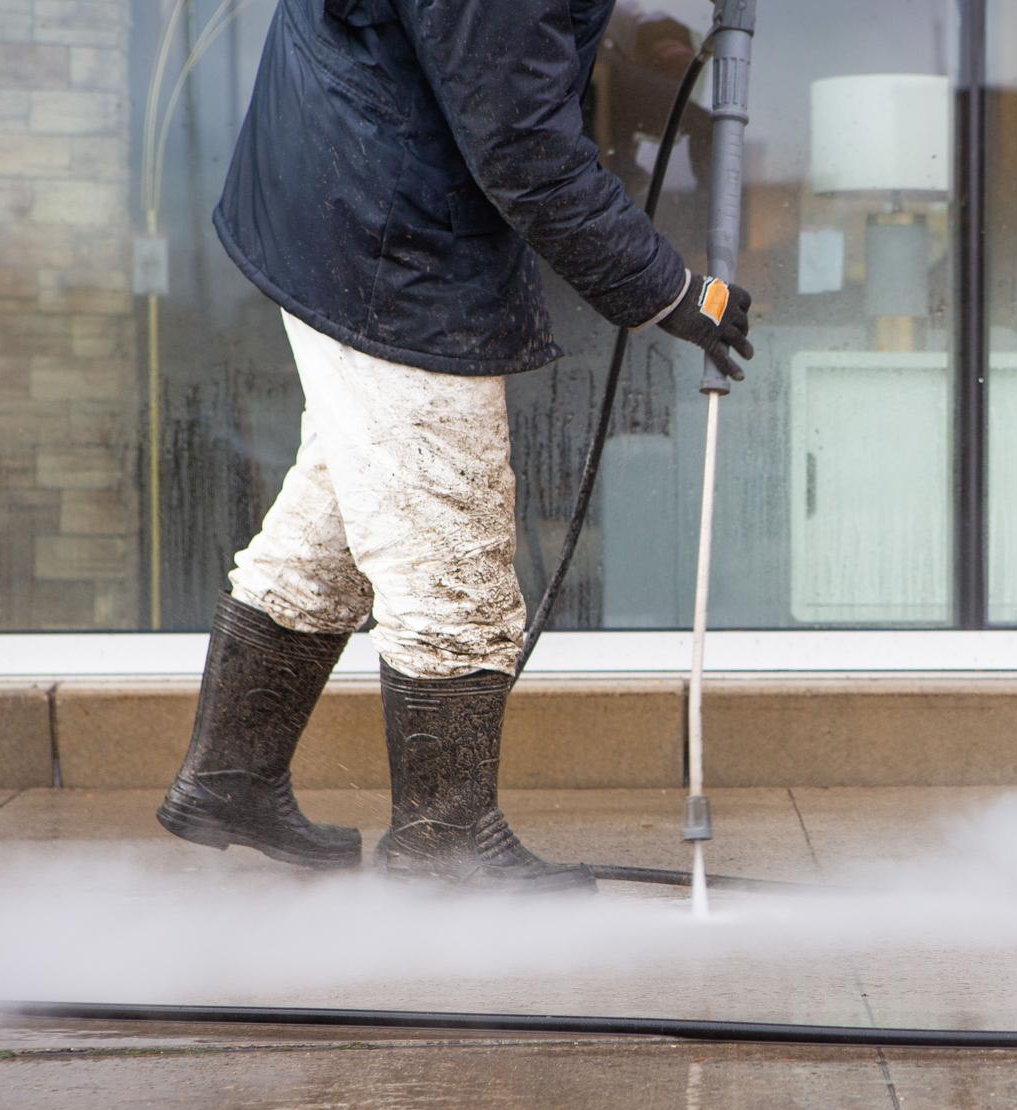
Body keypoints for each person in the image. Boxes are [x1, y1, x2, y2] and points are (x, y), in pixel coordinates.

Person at [156, 0, 752, 894]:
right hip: (387, 235)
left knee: (341, 513)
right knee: (451, 543)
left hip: (344, 187)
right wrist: (676, 293)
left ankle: (229, 779)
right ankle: (445, 840)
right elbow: (525, 151)